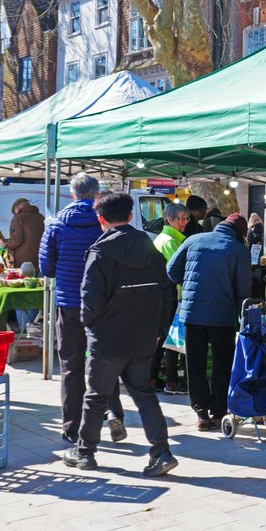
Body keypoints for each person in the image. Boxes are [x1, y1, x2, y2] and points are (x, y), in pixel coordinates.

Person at [64, 192, 177, 476]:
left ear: (101, 219)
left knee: (96, 397)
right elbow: (167, 295)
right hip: (143, 337)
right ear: (130, 216)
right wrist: (158, 331)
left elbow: (89, 301)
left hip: (108, 339)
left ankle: (85, 452)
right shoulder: (150, 249)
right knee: (144, 394)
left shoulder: (100, 253)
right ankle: (162, 452)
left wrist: (91, 327)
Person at [39, 173, 126, 444]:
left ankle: (72, 426)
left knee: (71, 367)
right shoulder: (106, 222)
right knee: (105, 361)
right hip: (103, 304)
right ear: (97, 193)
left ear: (72, 194)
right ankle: (112, 414)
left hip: (69, 304)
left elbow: (46, 267)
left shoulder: (56, 225)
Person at [167, 213, 250, 431]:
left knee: (195, 363)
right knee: (223, 363)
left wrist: (189, 286)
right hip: (221, 316)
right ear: (241, 234)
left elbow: (171, 270)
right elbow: (243, 290)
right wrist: (245, 316)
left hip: (193, 313)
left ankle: (201, 413)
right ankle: (219, 410)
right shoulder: (238, 249)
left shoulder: (193, 239)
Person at [151, 203, 189, 394]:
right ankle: (172, 381)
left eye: (186, 218)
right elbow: (179, 273)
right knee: (173, 340)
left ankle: (152, 377)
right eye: (180, 218)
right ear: (169, 219)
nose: (184, 222)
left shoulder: (164, 238)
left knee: (164, 338)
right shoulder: (170, 242)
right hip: (171, 297)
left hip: (161, 296)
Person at [3, 197, 44, 269]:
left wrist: (5, 243)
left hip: (24, 261)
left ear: (16, 208)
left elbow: (16, 241)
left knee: (25, 279)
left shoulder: (18, 218)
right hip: (39, 258)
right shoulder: (41, 217)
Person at [246, 212, 265, 299]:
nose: (252, 218)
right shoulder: (251, 226)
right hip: (251, 247)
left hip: (255, 248)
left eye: (254, 217)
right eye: (251, 216)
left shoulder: (258, 226)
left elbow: (257, 237)